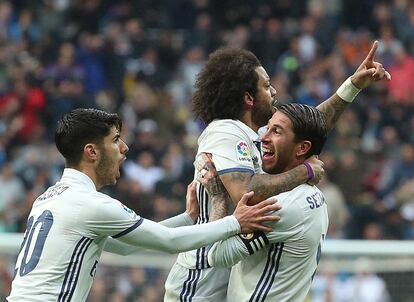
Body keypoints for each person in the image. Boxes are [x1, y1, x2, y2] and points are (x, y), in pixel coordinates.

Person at [164, 41, 390, 301]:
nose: (273, 91)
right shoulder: (225, 131)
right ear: (249, 98)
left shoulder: (253, 134)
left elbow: (304, 130)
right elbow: (245, 193)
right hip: (201, 280)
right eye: (266, 85)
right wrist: (303, 171)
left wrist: (352, 86)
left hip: (226, 270)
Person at [6, 108, 280, 302]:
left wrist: (188, 218)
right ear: (91, 152)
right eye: (115, 140)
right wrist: (235, 222)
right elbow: (169, 242)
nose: (125, 148)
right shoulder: (90, 204)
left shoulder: (48, 198)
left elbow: (125, 247)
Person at [200, 103, 329, 301]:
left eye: (276, 131)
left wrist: (218, 199)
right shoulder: (307, 194)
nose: (263, 138)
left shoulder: (281, 205)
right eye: (267, 128)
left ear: (302, 148)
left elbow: (217, 256)